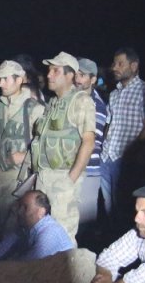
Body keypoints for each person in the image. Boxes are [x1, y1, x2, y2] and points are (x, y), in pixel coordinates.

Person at [0, 58, 44, 256]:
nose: (1, 84)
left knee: (11, 235)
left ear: (20, 79)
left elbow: (45, 146)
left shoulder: (34, 109)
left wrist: (26, 156)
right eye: (0, 79)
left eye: (6, 79)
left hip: (17, 181)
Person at [33, 52, 97, 241]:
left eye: (55, 71)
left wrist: (70, 179)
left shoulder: (81, 101)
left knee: (62, 235)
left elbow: (88, 141)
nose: (49, 75)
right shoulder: (52, 102)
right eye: (49, 70)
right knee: (40, 235)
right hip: (43, 177)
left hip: (63, 176)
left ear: (70, 75)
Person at [102, 47, 145, 219]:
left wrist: (137, 155)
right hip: (107, 156)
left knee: (125, 204)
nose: (114, 67)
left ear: (133, 66)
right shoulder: (113, 94)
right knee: (108, 204)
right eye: (114, 63)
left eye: (120, 64)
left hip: (126, 158)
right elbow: (109, 123)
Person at [0, 190, 74, 265]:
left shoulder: (50, 233)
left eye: (25, 207)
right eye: (20, 207)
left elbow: (27, 264)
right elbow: (1, 249)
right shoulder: (25, 228)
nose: (19, 211)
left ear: (41, 212)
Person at [75, 58, 108, 233]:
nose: (77, 79)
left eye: (82, 75)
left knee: (84, 226)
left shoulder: (98, 106)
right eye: (75, 74)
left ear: (93, 80)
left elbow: (92, 143)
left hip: (88, 171)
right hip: (71, 170)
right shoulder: (71, 99)